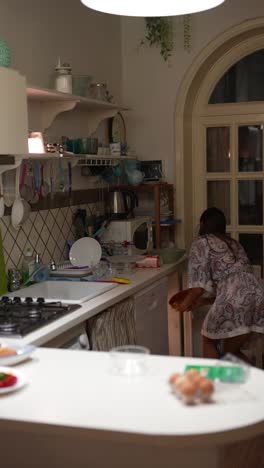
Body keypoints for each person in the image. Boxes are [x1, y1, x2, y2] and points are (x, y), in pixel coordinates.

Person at [171, 207, 264, 361]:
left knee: (208, 338)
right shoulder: (234, 243)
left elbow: (198, 287)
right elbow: (233, 286)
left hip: (237, 297)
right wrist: (203, 302)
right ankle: (255, 382)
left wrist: (183, 305)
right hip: (257, 296)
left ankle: (212, 382)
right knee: (230, 352)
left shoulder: (201, 242)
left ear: (202, 224)